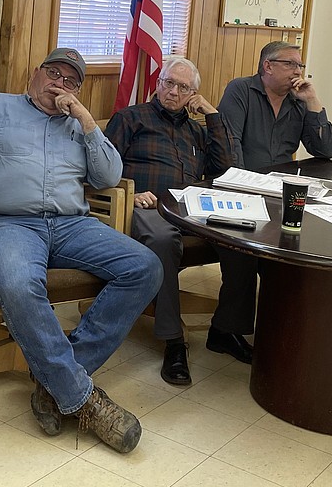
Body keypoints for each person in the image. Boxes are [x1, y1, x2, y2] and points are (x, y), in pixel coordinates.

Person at [0, 48, 161, 453]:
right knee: (17, 281)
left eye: (70, 81)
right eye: (53, 73)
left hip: (72, 225)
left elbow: (108, 175)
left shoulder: (78, 126)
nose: (59, 84)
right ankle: (83, 399)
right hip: (10, 224)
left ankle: (53, 380)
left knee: (145, 266)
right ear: (34, 74)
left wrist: (85, 120)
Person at [105, 56, 257, 385]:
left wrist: (213, 116)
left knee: (244, 242)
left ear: (193, 94)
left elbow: (227, 171)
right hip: (147, 206)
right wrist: (129, 195)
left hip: (192, 208)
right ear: (157, 84)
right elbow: (101, 169)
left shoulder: (197, 131)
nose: (173, 91)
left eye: (183, 87)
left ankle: (225, 330)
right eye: (168, 82)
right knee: (162, 241)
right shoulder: (131, 118)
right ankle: (174, 342)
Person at [218, 41, 332, 172]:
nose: (297, 72)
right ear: (268, 67)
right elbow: (230, 144)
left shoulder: (299, 100)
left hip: (281, 182)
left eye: (300, 66)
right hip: (246, 179)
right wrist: (239, 181)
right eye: (289, 64)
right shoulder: (241, 90)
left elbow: (325, 151)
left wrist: (312, 100)